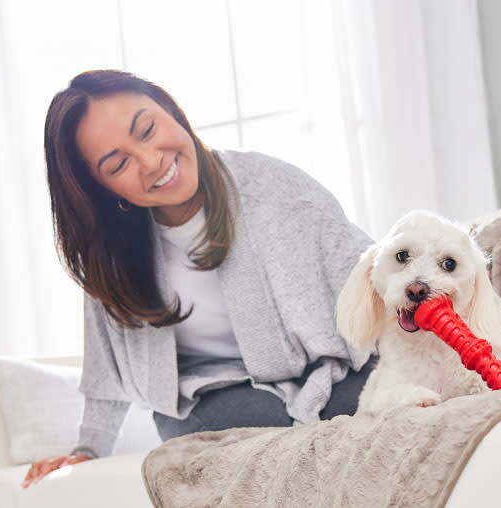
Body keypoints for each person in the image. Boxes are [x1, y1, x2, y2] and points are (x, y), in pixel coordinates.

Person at [22, 69, 376, 487]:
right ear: (102, 189)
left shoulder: (277, 189)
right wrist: (87, 452)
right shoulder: (113, 255)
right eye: (119, 164)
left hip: (325, 378)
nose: (151, 161)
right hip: (215, 402)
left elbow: (373, 279)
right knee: (233, 429)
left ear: (171, 110)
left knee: (375, 397)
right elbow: (106, 368)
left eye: (149, 129)